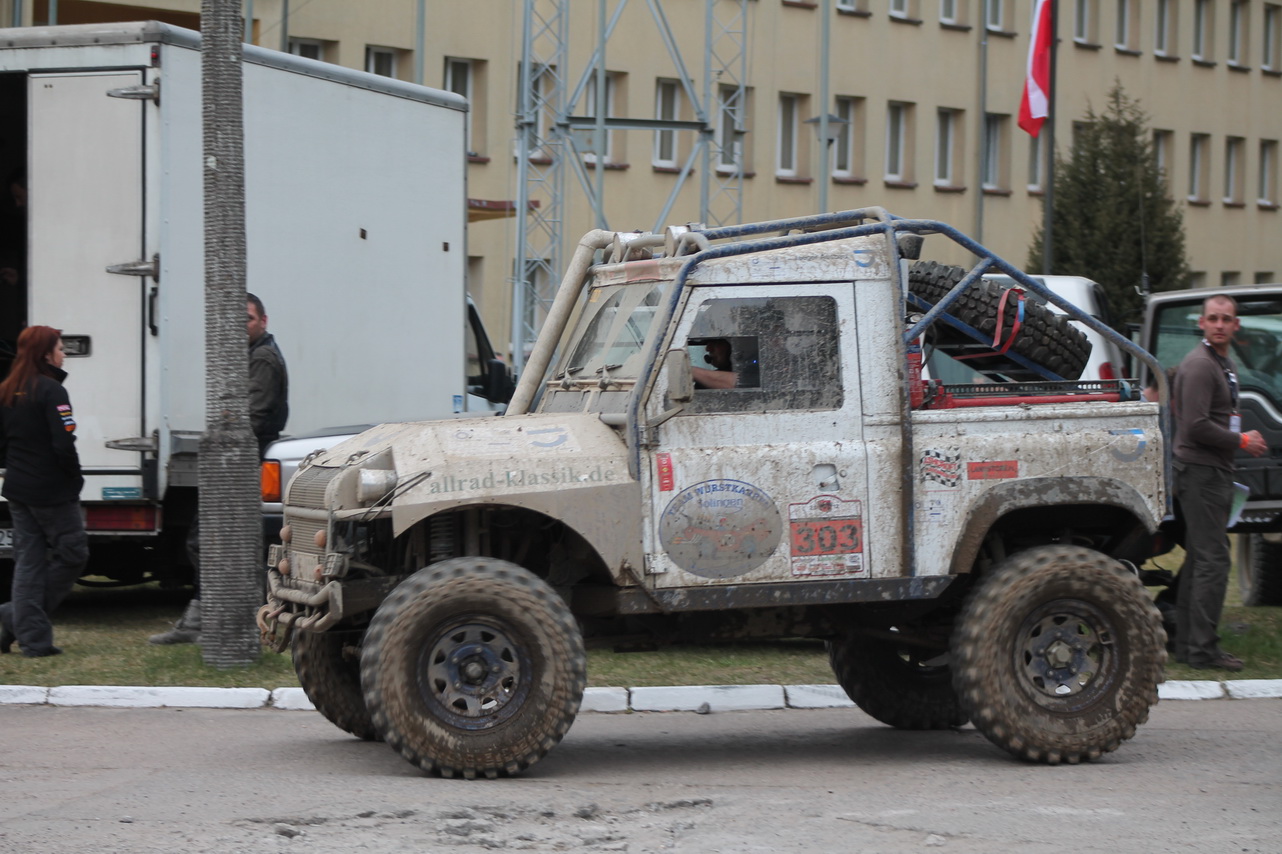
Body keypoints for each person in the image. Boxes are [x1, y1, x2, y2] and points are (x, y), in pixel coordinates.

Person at [149, 293, 289, 644]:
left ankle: (225, 617)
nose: (241, 326)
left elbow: (251, 419)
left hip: (240, 465)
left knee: (208, 541)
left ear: (263, 321)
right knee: (210, 541)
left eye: (248, 319)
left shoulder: (263, 359)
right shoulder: (248, 356)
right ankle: (215, 616)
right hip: (236, 464)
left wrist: (222, 443)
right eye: (235, 320)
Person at [1171, 294, 1267, 671]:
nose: (1220, 324)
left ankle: (1188, 647)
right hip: (1201, 473)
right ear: (1202, 323)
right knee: (1213, 561)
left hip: (1210, 472)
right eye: (1213, 318)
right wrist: (1241, 441)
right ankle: (1204, 650)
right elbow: (1194, 425)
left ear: (1236, 325)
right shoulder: (1200, 365)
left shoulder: (1221, 362)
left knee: (1200, 558)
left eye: (1227, 319)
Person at [0, 326, 89, 657]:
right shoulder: (52, 391)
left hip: (18, 489)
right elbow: (64, 444)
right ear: (45, 354)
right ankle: (17, 618)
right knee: (74, 554)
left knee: (28, 562)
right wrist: (74, 479)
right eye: (61, 349)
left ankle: (28, 632)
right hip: (51, 491)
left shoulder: (7, 390)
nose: (64, 354)